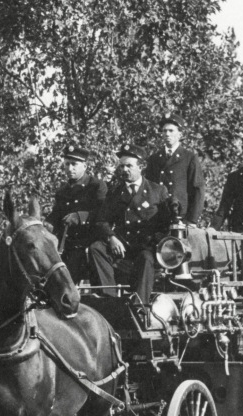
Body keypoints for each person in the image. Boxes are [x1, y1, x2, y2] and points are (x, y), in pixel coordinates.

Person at [88, 143, 174, 307]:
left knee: (146, 258)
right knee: (96, 248)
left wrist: (156, 240)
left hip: (146, 247)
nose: (124, 170)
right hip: (123, 247)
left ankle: (139, 305)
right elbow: (102, 220)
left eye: (129, 166)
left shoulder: (157, 191)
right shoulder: (115, 192)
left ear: (141, 166)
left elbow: (166, 224)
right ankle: (110, 300)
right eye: (121, 166)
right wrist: (111, 238)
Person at [44, 143, 107, 284]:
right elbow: (56, 215)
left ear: (85, 166)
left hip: (89, 242)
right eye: (66, 164)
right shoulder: (62, 191)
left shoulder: (96, 186)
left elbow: (103, 213)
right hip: (67, 244)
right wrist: (47, 224)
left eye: (74, 164)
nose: (69, 168)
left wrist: (80, 216)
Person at [144, 112, 205, 226]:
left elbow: (198, 189)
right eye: (164, 131)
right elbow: (148, 188)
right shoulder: (154, 159)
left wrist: (192, 220)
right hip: (156, 217)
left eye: (171, 131)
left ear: (180, 134)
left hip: (180, 217)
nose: (167, 134)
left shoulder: (189, 157)